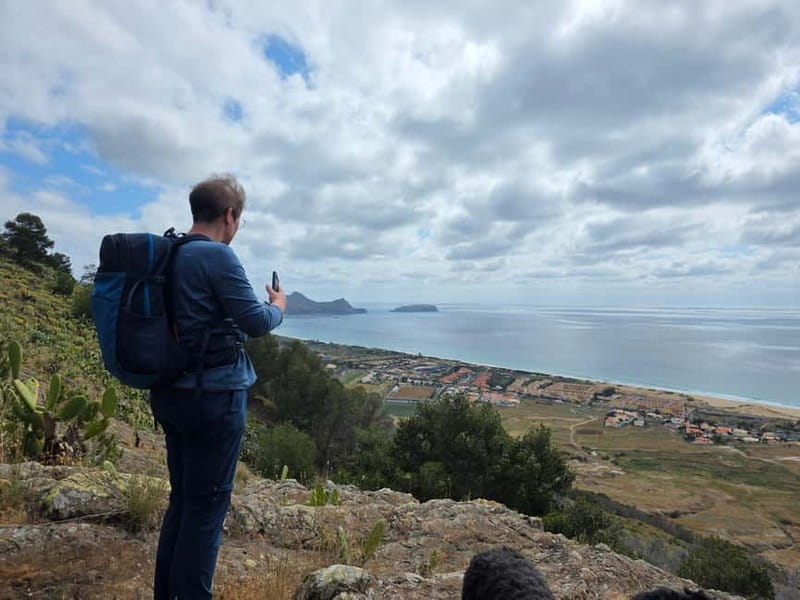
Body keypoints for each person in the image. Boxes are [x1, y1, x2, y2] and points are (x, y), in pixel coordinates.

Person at [149, 174, 286, 599]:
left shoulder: (168, 252)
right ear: (230, 215)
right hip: (213, 398)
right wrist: (278, 306)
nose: (238, 227)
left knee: (183, 501)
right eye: (239, 219)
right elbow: (256, 322)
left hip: (170, 393)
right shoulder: (217, 257)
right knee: (207, 510)